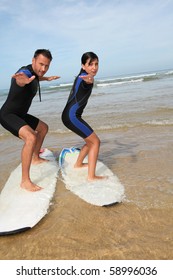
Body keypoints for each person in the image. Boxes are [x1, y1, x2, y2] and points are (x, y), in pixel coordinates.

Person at [0, 49, 60, 192]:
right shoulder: (24, 73)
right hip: (8, 115)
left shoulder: (35, 74)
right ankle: (25, 181)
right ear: (33, 60)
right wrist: (21, 80)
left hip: (21, 114)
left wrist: (48, 78)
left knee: (43, 128)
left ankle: (35, 157)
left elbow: (37, 76)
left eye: (47, 66)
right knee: (31, 137)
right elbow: (21, 79)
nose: (43, 69)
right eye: (41, 64)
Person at [62, 51, 106, 181]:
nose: (94, 67)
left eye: (96, 64)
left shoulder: (83, 76)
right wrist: (89, 81)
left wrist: (89, 80)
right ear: (83, 66)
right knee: (96, 142)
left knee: (90, 141)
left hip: (70, 116)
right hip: (72, 117)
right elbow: (86, 83)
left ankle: (79, 164)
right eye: (90, 64)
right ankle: (91, 176)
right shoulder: (85, 78)